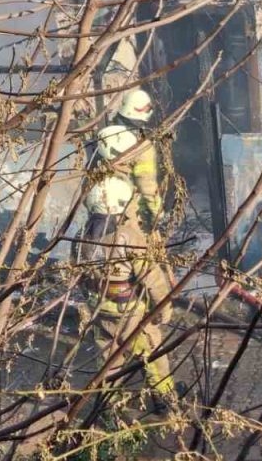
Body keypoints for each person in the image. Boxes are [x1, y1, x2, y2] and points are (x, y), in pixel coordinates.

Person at [78, 175, 177, 412]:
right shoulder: (127, 235)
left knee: (108, 361)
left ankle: (109, 409)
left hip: (101, 310)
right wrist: (163, 309)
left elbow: (80, 276)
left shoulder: (82, 236)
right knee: (152, 356)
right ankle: (166, 402)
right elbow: (151, 277)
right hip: (130, 312)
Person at [95, 124, 163, 232]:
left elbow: (147, 186)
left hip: (138, 201)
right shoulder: (120, 140)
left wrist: (157, 214)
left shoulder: (143, 155)